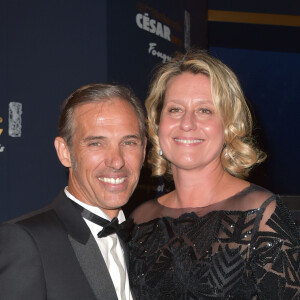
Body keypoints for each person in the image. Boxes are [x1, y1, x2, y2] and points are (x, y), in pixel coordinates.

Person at [127, 50, 300, 299]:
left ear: (229, 125)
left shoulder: (261, 215)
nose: (187, 123)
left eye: (205, 110)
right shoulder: (141, 220)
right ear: (157, 123)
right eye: (175, 109)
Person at [0, 83, 146, 300]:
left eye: (129, 142)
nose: (116, 161)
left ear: (144, 151)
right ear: (64, 152)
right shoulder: (27, 242)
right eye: (96, 143)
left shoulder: (146, 243)